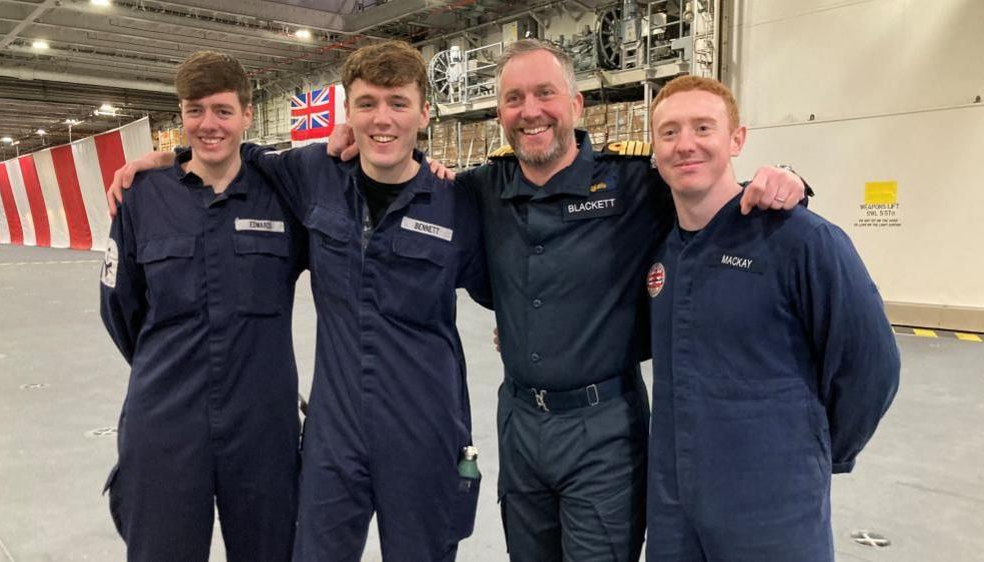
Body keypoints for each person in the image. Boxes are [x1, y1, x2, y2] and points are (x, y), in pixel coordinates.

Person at [377, 39, 806, 562]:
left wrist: (786, 179)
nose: (530, 111)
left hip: (604, 429)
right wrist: (351, 144)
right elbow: (398, 185)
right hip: (518, 421)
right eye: (514, 98)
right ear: (500, 114)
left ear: (576, 105)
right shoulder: (480, 190)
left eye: (545, 93)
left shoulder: (635, 183)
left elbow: (712, 193)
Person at [108, 41, 490, 562]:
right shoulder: (310, 176)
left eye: (398, 103)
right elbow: (228, 157)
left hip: (421, 427)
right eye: (366, 104)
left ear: (425, 111)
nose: (382, 118)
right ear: (347, 112)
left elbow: (507, 286)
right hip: (332, 432)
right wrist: (166, 162)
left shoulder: (458, 200)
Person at [644, 75, 900, 560]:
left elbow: (873, 366)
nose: (686, 145)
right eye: (669, 132)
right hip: (675, 508)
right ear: (654, 148)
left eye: (703, 127)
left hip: (773, 509)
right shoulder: (660, 252)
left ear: (736, 139)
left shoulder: (800, 240)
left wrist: (814, 450)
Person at [99, 51, 307, 561]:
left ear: (247, 115)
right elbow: (119, 308)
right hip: (167, 422)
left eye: (222, 110)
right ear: (180, 115)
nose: (208, 125)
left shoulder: (282, 193)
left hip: (262, 422)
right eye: (195, 111)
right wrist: (167, 365)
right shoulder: (142, 198)